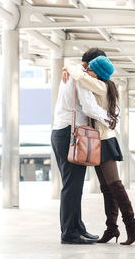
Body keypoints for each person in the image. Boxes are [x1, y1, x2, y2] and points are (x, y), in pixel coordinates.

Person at [63, 55, 135, 245]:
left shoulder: (101, 86)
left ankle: (131, 224)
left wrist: (70, 68)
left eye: (91, 69)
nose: (87, 70)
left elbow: (81, 77)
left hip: (105, 140)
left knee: (115, 185)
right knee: (106, 188)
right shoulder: (102, 85)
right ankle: (112, 228)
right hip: (100, 140)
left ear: (97, 73)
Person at [51, 49, 114, 245]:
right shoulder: (80, 77)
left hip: (63, 132)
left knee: (74, 185)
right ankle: (70, 233)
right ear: (92, 64)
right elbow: (88, 107)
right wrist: (108, 118)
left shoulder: (74, 71)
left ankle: (77, 228)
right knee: (72, 186)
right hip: (70, 133)